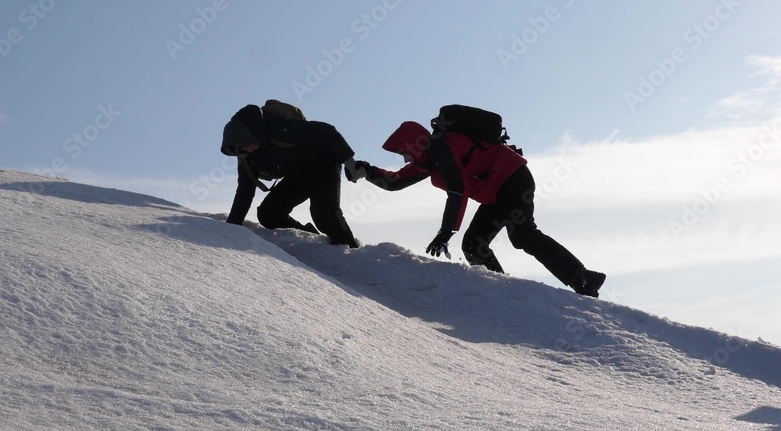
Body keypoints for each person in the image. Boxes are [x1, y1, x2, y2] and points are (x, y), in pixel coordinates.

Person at [353, 119, 606, 297]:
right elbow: (396, 182)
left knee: (523, 235)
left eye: (404, 153)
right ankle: (500, 290)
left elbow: (457, 188)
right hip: (495, 194)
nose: (404, 159)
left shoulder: (444, 148)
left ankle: (583, 277)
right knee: (474, 244)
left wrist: (446, 231)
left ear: (413, 146)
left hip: (513, 180)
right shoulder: (429, 161)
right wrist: (367, 170)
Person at [220, 103, 364, 248]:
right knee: (268, 214)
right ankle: (310, 239)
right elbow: (244, 192)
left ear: (251, 134)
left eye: (246, 145)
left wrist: (349, 161)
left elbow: (326, 131)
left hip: (323, 163)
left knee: (325, 215)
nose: (247, 150)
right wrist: (232, 227)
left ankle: (351, 250)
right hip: (298, 176)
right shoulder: (247, 157)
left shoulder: (278, 127)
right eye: (241, 150)